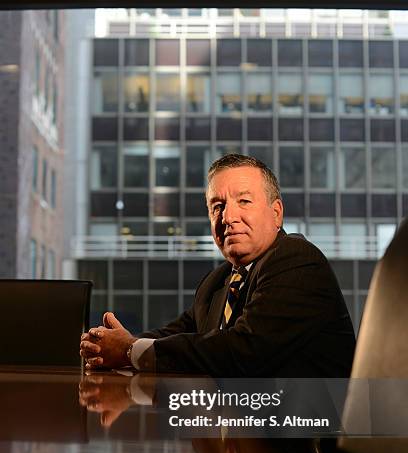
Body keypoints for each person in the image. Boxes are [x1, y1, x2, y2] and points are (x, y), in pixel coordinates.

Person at [80, 154, 355, 377]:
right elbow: (177, 336)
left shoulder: (297, 260)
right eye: (217, 206)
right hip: (241, 430)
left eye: (244, 201)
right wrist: (109, 344)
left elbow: (244, 351)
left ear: (276, 213)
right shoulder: (219, 280)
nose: (228, 217)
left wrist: (129, 350)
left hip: (302, 437)